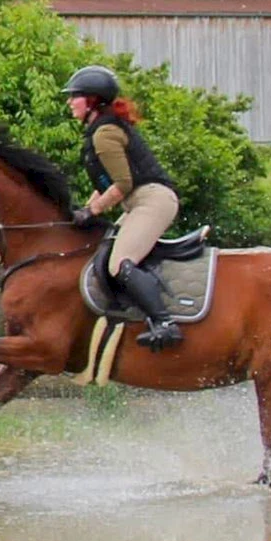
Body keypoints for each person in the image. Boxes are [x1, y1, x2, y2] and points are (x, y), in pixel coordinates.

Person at [61, 64, 183, 351]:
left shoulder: (104, 133)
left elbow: (123, 183)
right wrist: (83, 210)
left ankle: (165, 323)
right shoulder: (99, 129)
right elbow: (107, 186)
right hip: (138, 201)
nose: (69, 102)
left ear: (91, 100)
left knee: (119, 264)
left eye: (74, 96)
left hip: (151, 200)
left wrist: (93, 212)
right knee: (102, 253)